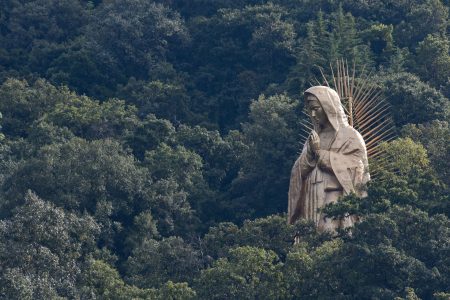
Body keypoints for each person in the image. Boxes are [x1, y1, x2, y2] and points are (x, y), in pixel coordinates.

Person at [288, 86, 370, 231]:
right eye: (310, 109)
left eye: (316, 108)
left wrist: (320, 153)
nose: (313, 114)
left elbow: (357, 166)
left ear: (328, 106)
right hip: (310, 196)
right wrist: (309, 155)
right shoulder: (314, 137)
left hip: (334, 195)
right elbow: (298, 170)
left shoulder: (350, 136)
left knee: (329, 234)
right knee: (309, 237)